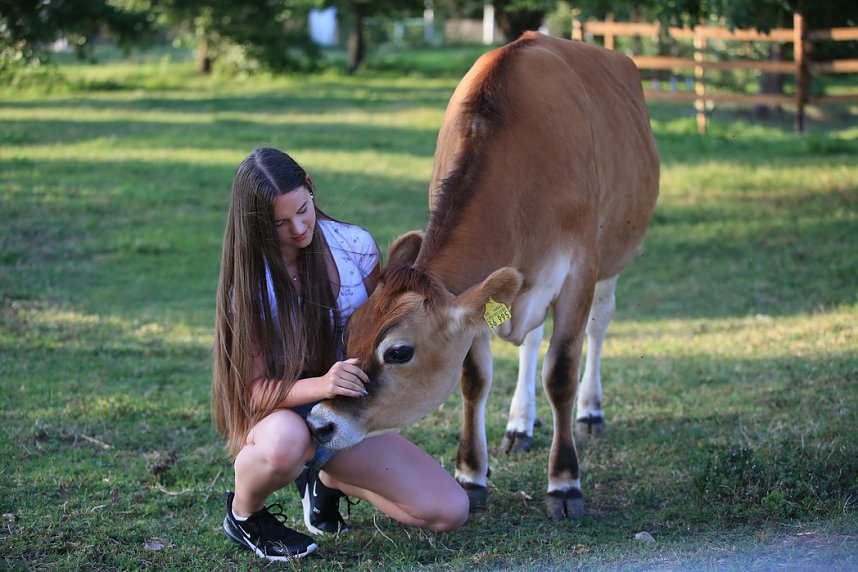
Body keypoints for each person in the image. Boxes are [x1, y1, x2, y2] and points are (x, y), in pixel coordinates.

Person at [211, 147, 470, 561]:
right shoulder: (251, 284)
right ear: (257, 223)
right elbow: (252, 391)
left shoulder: (355, 247)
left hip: (344, 411)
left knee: (449, 511)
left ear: (310, 188)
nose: (299, 228)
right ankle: (246, 515)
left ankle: (325, 480)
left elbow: (381, 328)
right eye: (280, 223)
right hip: (281, 414)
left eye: (302, 210)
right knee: (285, 444)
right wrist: (322, 384)